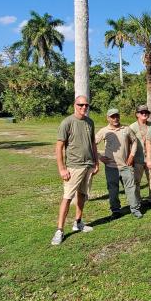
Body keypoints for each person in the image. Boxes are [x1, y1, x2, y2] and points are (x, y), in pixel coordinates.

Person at [51, 95, 100, 245]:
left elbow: (92, 143)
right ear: (75, 105)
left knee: (82, 195)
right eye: (80, 105)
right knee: (67, 197)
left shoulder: (89, 122)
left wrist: (96, 161)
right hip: (73, 166)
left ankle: (78, 222)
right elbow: (59, 147)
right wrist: (62, 168)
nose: (83, 107)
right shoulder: (67, 122)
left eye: (86, 105)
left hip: (88, 165)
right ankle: (59, 230)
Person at [96, 108, 141, 219]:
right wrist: (100, 157)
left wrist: (131, 155)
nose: (115, 118)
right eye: (112, 116)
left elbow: (135, 141)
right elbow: (92, 144)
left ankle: (135, 209)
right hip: (111, 167)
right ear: (108, 118)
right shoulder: (104, 131)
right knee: (113, 190)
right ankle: (115, 211)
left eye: (117, 116)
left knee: (131, 188)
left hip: (126, 166)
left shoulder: (126, 129)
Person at [129, 105, 151, 207]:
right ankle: (137, 201)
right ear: (137, 114)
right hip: (137, 159)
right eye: (142, 112)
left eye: (146, 112)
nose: (144, 114)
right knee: (136, 181)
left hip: (150, 158)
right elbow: (128, 144)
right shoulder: (132, 127)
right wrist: (130, 157)